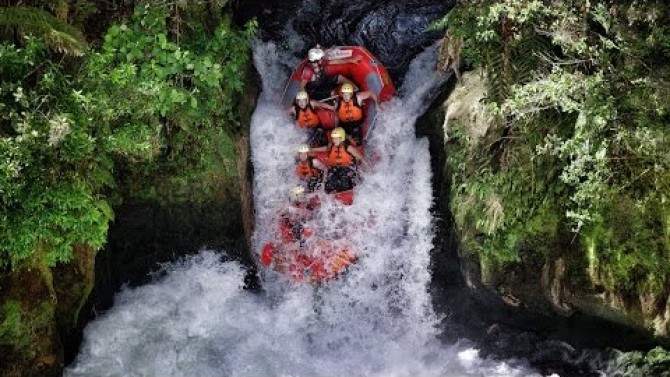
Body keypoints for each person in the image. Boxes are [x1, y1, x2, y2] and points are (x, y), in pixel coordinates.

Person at [310, 127, 365, 194]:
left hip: (347, 168)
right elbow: (326, 148)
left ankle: (346, 191)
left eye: (336, 138)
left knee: (344, 182)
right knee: (329, 185)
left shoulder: (349, 148)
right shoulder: (332, 145)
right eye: (333, 138)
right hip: (335, 168)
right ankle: (331, 193)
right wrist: (313, 149)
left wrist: (367, 168)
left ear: (341, 138)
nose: (334, 140)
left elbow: (361, 158)